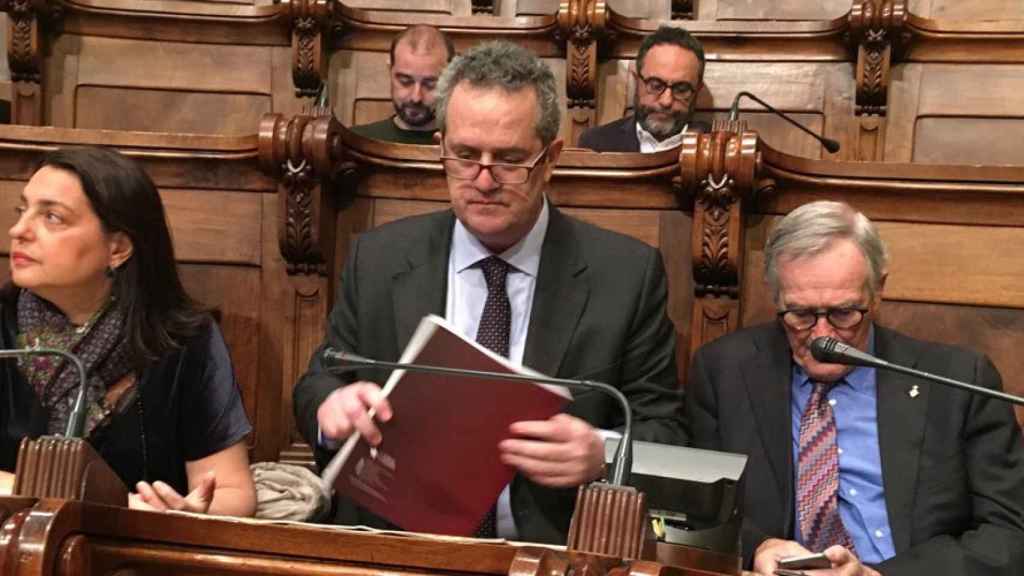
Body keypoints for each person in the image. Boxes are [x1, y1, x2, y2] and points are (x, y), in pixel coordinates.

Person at [294, 41, 685, 543]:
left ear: (550, 159)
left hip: (546, 552)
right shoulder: (380, 258)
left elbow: (666, 432)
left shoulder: (626, 275)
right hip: (394, 544)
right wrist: (333, 409)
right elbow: (317, 383)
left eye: (508, 159)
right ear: (441, 149)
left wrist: (602, 453)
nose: (483, 179)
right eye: (464, 155)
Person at [686, 200, 1024, 575]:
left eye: (844, 313)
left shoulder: (959, 381)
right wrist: (756, 548)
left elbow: (1009, 533)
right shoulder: (724, 370)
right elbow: (696, 508)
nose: (822, 336)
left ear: (878, 291)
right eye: (800, 314)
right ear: (775, 295)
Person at [0, 147, 256, 516]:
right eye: (23, 210)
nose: (19, 230)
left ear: (117, 248)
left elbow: (232, 491)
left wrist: (189, 512)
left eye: (52, 217)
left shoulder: (184, 339)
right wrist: (113, 505)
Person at [577, 25, 709, 153]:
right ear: (636, 79)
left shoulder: (719, 149)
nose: (666, 101)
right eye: (656, 85)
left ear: (697, 90)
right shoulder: (596, 144)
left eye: (681, 89)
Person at [350, 25, 455, 145]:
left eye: (430, 85)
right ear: (390, 70)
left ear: (450, 79)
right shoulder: (355, 141)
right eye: (405, 82)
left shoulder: (462, 148)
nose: (416, 97)